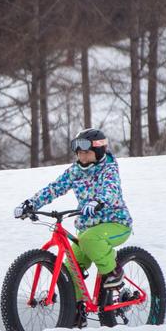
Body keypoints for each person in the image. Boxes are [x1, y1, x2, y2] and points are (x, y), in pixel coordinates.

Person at [13, 128, 134, 318]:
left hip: (116, 223)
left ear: (99, 151)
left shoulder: (108, 169)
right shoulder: (75, 171)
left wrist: (98, 202)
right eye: (79, 153)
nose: (82, 157)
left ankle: (114, 272)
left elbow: (111, 189)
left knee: (88, 239)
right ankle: (77, 312)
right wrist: (31, 203)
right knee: (70, 270)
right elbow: (54, 188)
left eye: (87, 153)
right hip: (88, 229)